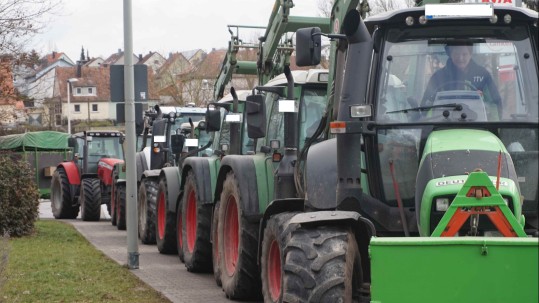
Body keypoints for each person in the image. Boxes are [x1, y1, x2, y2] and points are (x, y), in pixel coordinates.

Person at [422, 44, 502, 118]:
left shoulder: (483, 75)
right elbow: (427, 106)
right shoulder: (438, 77)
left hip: (478, 125)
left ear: (470, 54)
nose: (460, 58)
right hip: (444, 124)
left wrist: (494, 127)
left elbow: (494, 104)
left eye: (464, 54)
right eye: (456, 54)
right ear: (451, 55)